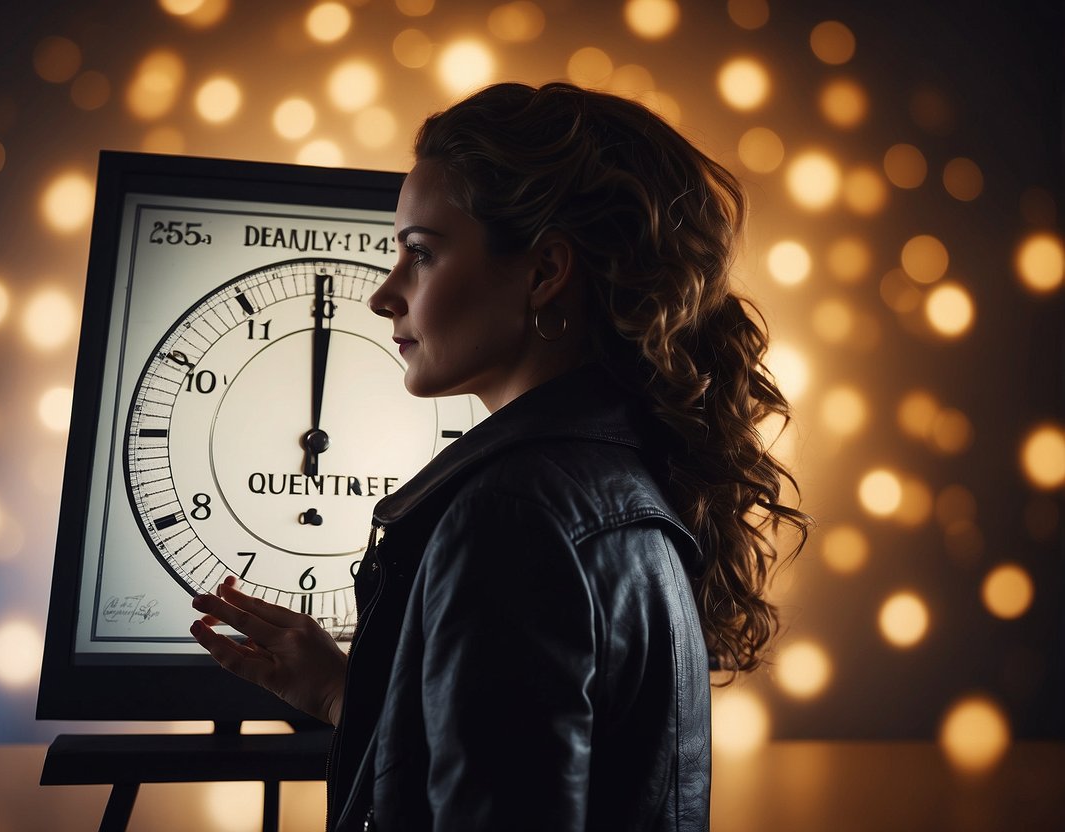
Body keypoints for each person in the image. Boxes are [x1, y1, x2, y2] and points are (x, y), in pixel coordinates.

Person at [190, 81, 810, 831]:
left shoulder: (511, 518)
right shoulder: (619, 478)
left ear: (545, 271)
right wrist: (343, 697)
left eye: (420, 253)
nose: (384, 295)